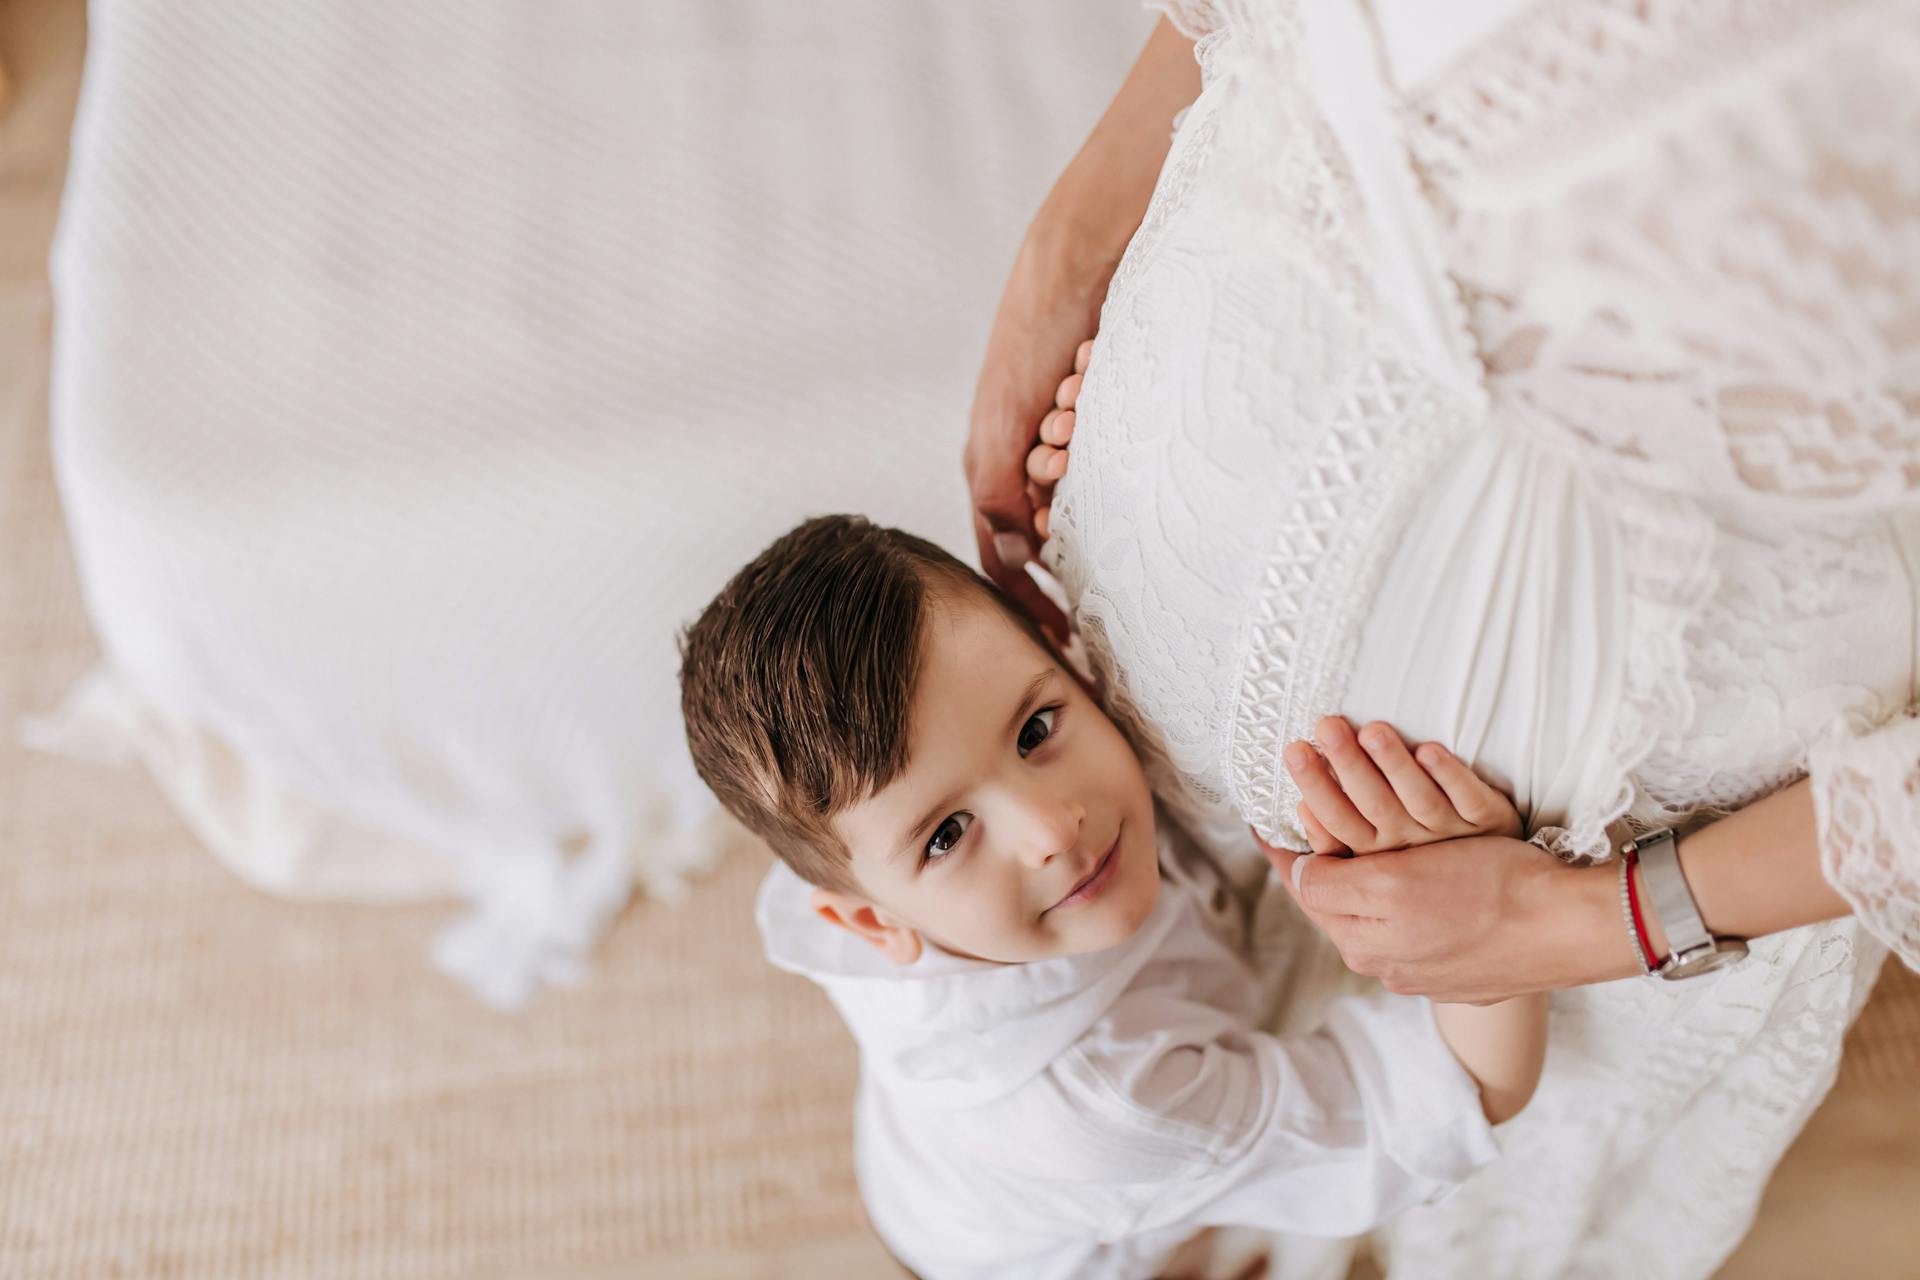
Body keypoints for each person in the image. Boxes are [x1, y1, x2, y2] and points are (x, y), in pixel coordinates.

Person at [967, 2, 1920, 1276]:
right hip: (1183, 766)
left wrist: (1601, 923)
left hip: (1598, 895)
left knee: (1518, 1174)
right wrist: (1073, 237)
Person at [677, 514, 1548, 1279]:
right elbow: (1454, 1096)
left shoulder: (906, 854)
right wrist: (1477, 906)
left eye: (1034, 729)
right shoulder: (1108, 1112)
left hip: (943, 1170)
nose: (1051, 827)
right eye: (947, 835)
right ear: (874, 925)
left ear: (1065, 655)